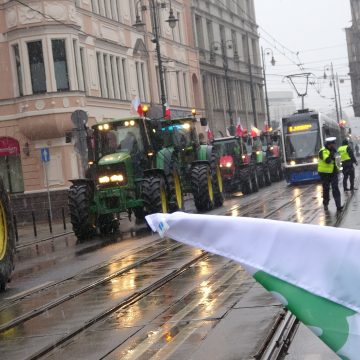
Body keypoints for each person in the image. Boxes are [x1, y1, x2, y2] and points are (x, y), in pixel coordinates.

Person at [318, 137, 343, 212]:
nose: (333, 145)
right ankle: (325, 203)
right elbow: (327, 160)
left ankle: (338, 206)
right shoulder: (322, 151)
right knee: (326, 189)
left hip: (333, 172)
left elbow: (338, 161)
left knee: (335, 188)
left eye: (334, 144)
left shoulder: (335, 151)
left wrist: (340, 169)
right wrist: (332, 155)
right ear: (329, 144)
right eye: (332, 144)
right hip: (324, 173)